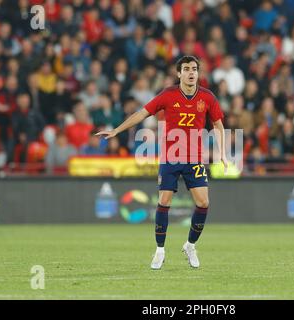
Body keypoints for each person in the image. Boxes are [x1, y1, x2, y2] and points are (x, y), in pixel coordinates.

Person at [96, 56, 227, 269]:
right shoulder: (168, 95)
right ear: (179, 73)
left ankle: (190, 245)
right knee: (164, 201)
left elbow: (218, 124)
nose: (191, 72)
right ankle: (159, 251)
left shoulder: (208, 97)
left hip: (194, 158)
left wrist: (221, 150)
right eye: (186, 69)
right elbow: (141, 113)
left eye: (194, 69)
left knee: (203, 203)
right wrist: (117, 130)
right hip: (170, 157)